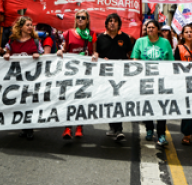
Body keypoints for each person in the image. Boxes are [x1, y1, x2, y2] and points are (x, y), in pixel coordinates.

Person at [56, 9, 98, 139]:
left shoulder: (92, 34)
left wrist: (96, 55)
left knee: (81, 99)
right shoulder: (68, 33)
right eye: (78, 17)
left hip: (85, 72)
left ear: (87, 20)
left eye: (83, 17)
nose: (80, 19)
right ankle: (67, 127)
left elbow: (94, 52)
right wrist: (60, 52)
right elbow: (64, 49)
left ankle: (79, 126)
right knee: (69, 99)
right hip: (70, 72)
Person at [131, 20, 173, 146]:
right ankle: (149, 129)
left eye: (152, 27)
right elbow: (135, 59)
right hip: (146, 81)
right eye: (148, 27)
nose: (150, 29)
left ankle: (161, 134)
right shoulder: (140, 42)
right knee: (147, 106)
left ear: (158, 30)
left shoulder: (165, 43)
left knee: (161, 107)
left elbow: (171, 61)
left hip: (161, 82)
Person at [3, 16, 43, 140]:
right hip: (15, 79)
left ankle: (29, 128)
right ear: (21, 28)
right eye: (27, 25)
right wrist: (6, 54)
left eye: (31, 25)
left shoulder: (35, 41)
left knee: (28, 103)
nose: (30, 27)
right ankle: (23, 127)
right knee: (19, 103)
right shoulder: (12, 41)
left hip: (30, 79)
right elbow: (6, 52)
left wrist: (38, 55)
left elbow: (43, 55)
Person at [97, 13, 133, 142]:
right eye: (110, 21)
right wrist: (102, 59)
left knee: (118, 100)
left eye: (115, 21)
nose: (112, 23)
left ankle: (119, 129)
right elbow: (96, 55)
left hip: (121, 75)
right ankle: (113, 127)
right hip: (106, 75)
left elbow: (130, 54)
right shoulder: (100, 38)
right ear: (106, 23)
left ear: (119, 24)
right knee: (109, 100)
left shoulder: (125, 37)